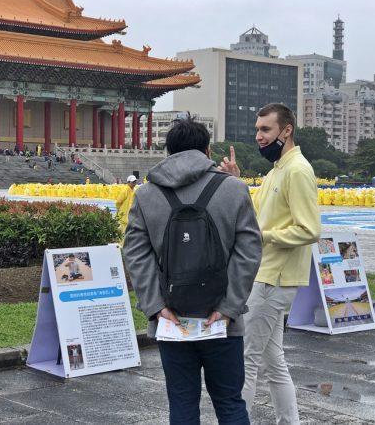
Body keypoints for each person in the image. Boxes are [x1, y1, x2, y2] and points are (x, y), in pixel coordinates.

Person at [124, 116, 262, 424]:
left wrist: (156, 307)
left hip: (172, 320)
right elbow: (249, 251)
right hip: (222, 322)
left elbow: (135, 252)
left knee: (182, 405)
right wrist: (229, 308)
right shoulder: (234, 190)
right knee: (229, 403)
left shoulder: (146, 195)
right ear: (207, 151)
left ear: (169, 152)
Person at [219, 103, 321, 424]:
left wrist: (262, 236)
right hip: (266, 275)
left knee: (245, 359)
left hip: (273, 279)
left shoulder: (297, 170)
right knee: (273, 359)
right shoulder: (278, 170)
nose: (258, 136)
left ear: (286, 130)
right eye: (257, 129)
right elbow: (256, 210)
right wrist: (237, 181)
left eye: (265, 129)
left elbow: (309, 229)